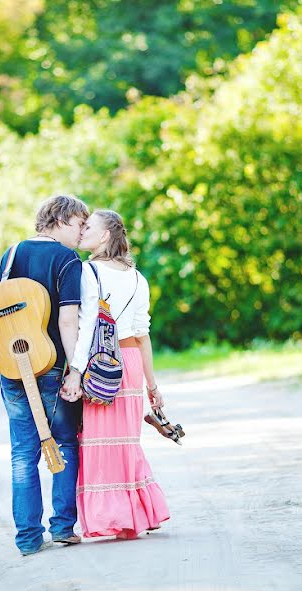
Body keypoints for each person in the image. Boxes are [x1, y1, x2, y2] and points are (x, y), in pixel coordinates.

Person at [61, 209, 170, 539]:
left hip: (101, 363)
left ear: (105, 236)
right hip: (131, 362)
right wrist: (152, 386)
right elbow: (142, 334)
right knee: (126, 441)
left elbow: (87, 324)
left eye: (89, 228)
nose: (82, 233)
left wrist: (76, 371)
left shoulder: (88, 271)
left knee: (97, 442)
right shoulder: (139, 278)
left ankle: (111, 517)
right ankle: (135, 515)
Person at [0, 194, 89, 556]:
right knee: (65, 442)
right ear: (62, 220)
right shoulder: (66, 260)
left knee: (23, 453)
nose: (82, 234)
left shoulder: (11, 254)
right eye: (80, 225)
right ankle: (63, 527)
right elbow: (68, 319)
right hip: (49, 365)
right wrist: (75, 371)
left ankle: (28, 538)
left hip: (12, 366)